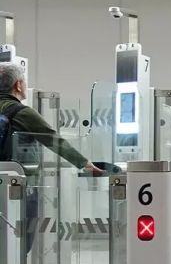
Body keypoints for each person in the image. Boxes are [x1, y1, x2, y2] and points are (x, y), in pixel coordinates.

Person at [0, 62, 103, 253]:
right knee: (20, 244)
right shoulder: (21, 112)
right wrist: (86, 165)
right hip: (21, 188)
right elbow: (55, 141)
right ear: (18, 85)